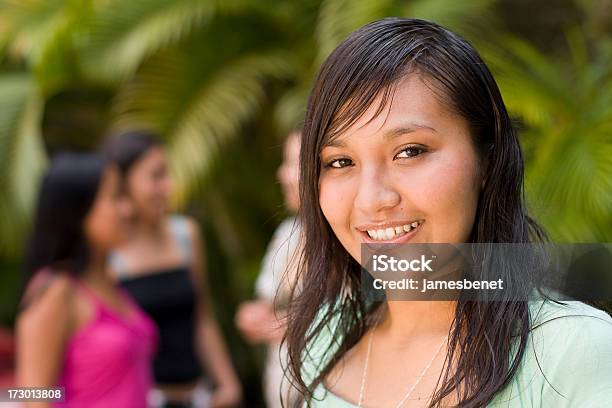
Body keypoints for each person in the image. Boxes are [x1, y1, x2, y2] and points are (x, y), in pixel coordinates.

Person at [285, 18, 612, 407]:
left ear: (486, 159)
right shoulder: (327, 339)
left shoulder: (571, 353)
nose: (372, 200)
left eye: (410, 151)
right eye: (340, 161)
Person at [103, 131, 242, 408]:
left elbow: (202, 317)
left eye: (167, 175)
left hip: (198, 396)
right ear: (123, 184)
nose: (168, 186)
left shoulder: (185, 234)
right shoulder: (108, 255)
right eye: (156, 176)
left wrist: (228, 384)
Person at [16, 153, 157, 407]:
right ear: (78, 211)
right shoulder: (57, 290)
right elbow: (30, 394)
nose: (128, 209)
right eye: (115, 198)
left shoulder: (109, 282)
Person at [235, 131, 302, 408]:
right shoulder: (288, 233)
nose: (282, 174)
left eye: (293, 164)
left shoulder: (359, 240)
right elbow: (266, 302)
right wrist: (252, 317)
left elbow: (371, 316)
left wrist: (289, 323)